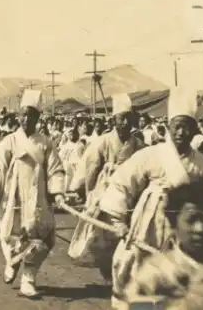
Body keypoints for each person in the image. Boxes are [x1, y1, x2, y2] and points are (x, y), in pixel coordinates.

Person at [99, 87, 203, 310]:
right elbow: (122, 183)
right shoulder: (151, 154)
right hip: (147, 225)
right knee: (128, 265)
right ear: (169, 127)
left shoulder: (202, 164)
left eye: (187, 127)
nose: (181, 132)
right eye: (177, 126)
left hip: (183, 227)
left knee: (178, 280)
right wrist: (118, 221)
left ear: (194, 130)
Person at [0, 89, 65, 299]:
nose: (27, 119)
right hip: (13, 199)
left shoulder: (46, 143)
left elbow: (55, 169)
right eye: (23, 115)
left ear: (38, 118)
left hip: (37, 199)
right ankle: (12, 261)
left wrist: (57, 192)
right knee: (9, 234)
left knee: (41, 240)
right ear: (18, 117)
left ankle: (28, 279)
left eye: (31, 115)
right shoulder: (9, 141)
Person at [67, 93, 146, 280]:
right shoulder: (103, 142)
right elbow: (90, 169)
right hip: (106, 195)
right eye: (121, 118)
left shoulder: (139, 145)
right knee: (104, 238)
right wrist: (86, 192)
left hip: (131, 196)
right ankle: (109, 271)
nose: (125, 123)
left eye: (128, 118)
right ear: (114, 120)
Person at [124, 182, 203, 309]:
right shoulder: (156, 270)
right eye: (191, 220)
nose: (200, 228)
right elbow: (136, 304)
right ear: (174, 224)